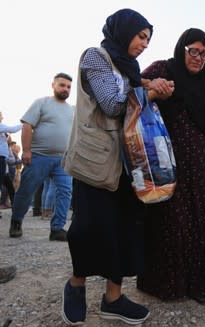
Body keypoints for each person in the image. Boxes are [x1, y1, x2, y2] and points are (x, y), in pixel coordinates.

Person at [61, 9, 159, 326]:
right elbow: (113, 103)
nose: (144, 44)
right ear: (124, 30)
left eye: (148, 39)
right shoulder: (95, 57)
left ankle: (113, 299)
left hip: (127, 164)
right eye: (140, 36)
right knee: (90, 228)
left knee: (123, 230)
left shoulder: (130, 67)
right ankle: (76, 286)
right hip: (95, 163)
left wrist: (148, 85)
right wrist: (149, 91)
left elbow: (130, 94)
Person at [136, 28, 205, 304]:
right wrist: (154, 86)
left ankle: (196, 286)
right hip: (171, 163)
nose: (198, 57)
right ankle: (165, 286)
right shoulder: (164, 67)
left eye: (204, 53)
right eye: (193, 51)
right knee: (170, 221)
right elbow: (134, 83)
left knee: (201, 221)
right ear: (182, 48)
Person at [8, 73, 73, 241]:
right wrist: (27, 150)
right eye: (62, 85)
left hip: (63, 160)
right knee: (26, 191)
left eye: (68, 87)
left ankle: (57, 228)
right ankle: (16, 222)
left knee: (66, 191)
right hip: (38, 157)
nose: (65, 89)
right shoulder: (41, 103)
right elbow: (27, 125)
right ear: (53, 85)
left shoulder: (72, 109)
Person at [0, 117, 22, 211]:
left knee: (9, 185)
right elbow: (13, 129)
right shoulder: (1, 126)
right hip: (1, 157)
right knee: (4, 182)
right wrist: (25, 123)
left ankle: (14, 205)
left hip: (3, 159)